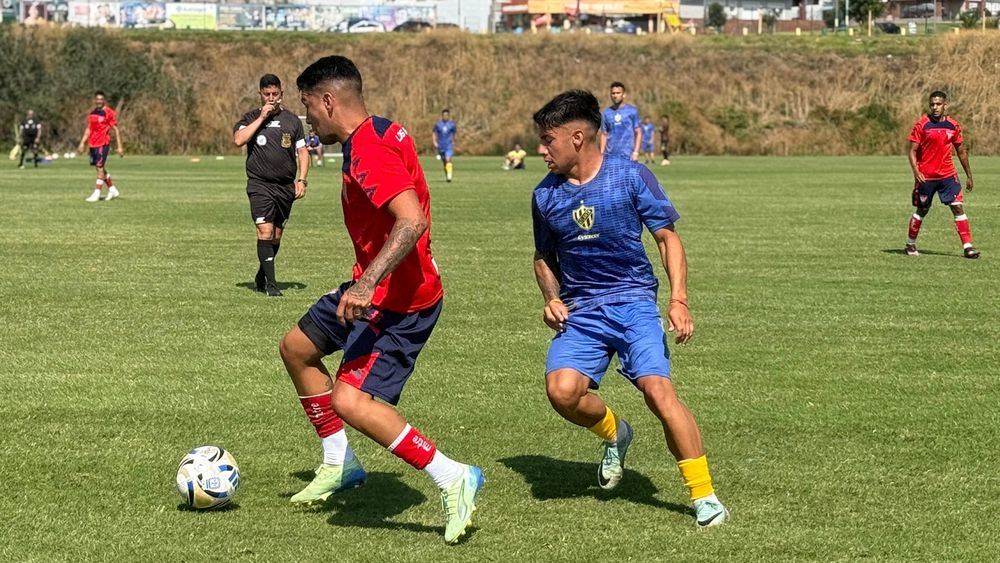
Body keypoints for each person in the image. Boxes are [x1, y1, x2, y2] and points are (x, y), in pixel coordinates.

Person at [281, 55, 484, 544]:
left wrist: (367, 283)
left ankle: (452, 475)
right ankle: (340, 462)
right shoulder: (379, 130)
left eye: (308, 107)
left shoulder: (368, 149)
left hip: (398, 301)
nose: (307, 118)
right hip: (373, 287)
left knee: (349, 400)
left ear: (328, 100)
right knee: (297, 348)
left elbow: (411, 220)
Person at [530, 89, 729, 528]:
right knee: (562, 392)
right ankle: (616, 434)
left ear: (577, 137)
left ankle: (704, 496)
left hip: (634, 301)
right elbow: (543, 257)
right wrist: (552, 298)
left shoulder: (631, 176)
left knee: (658, 393)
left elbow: (667, 238)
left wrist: (678, 300)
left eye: (548, 140)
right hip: (583, 310)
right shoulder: (545, 196)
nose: (541, 150)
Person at [233, 74, 309, 297]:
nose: (271, 98)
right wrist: (262, 118)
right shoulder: (250, 117)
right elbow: (239, 140)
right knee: (265, 231)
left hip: (285, 187)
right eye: (267, 94)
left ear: (281, 94)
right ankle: (272, 285)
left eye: (275, 94)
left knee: (275, 236)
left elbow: (303, 152)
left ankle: (262, 275)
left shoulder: (292, 121)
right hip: (260, 185)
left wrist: (302, 180)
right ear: (260, 94)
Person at [905, 91, 978, 259]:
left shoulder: (953, 125)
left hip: (948, 175)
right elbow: (912, 151)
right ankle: (910, 244)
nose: (935, 107)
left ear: (945, 105)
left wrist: (969, 175)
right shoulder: (922, 125)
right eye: (932, 104)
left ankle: (968, 247)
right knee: (922, 210)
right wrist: (916, 172)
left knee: (957, 207)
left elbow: (961, 151)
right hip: (926, 177)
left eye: (938, 104)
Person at [77, 91, 123, 202]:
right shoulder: (92, 113)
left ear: (104, 100)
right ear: (95, 100)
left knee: (100, 168)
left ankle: (96, 193)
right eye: (97, 99)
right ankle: (112, 189)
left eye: (101, 99)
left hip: (103, 143)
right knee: (99, 168)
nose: (99, 101)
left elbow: (116, 129)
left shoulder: (109, 113)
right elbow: (89, 129)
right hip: (93, 144)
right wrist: (82, 142)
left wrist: (120, 146)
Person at [598, 82, 641, 161]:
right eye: (613, 93)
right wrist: (601, 153)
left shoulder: (632, 111)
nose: (615, 95)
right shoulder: (606, 113)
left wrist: (636, 152)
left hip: (628, 156)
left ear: (624, 94)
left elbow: (638, 132)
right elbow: (604, 134)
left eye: (618, 93)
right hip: (610, 156)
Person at [432, 109, 457, 182]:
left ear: (448, 116)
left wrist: (453, 141)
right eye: (444, 115)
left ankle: (449, 176)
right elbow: (434, 133)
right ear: (442, 116)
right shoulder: (438, 124)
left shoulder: (452, 125)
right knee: (444, 162)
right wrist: (434, 142)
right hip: (440, 146)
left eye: (447, 115)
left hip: (448, 145)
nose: (445, 116)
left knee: (448, 159)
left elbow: (454, 134)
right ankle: (447, 176)